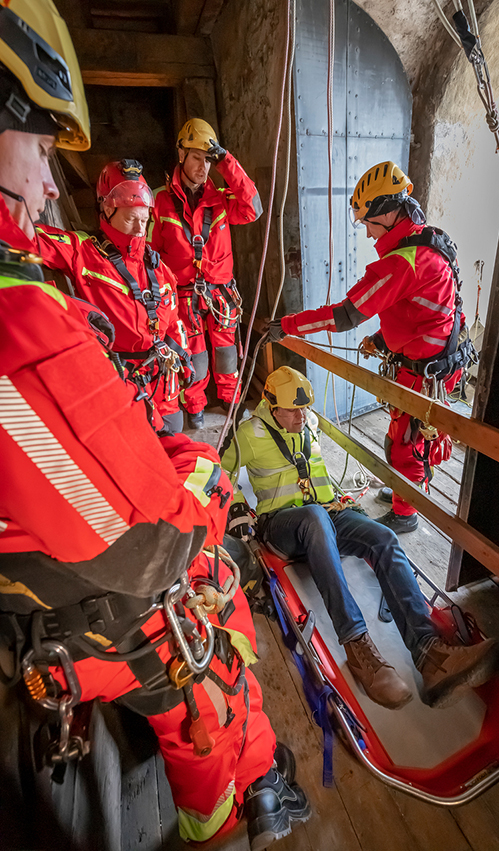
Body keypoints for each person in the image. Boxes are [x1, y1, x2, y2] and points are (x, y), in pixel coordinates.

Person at [0, 3, 310, 848]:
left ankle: (252, 780)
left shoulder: (178, 236)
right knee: (204, 617)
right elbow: (139, 537)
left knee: (196, 462)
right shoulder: (53, 287)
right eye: (35, 147)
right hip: (76, 578)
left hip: (162, 382)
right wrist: (198, 481)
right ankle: (227, 807)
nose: (42, 182)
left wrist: (223, 164)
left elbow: (240, 214)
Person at [222, 367, 499, 711]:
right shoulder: (249, 433)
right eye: (293, 410)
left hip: (325, 512)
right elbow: (218, 470)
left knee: (383, 537)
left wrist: (344, 502)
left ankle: (428, 652)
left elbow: (315, 473)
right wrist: (237, 508)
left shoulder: (307, 424)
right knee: (314, 519)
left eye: (304, 408)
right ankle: (357, 646)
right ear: (271, 404)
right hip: (283, 524)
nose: (302, 416)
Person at [267, 162, 475, 534]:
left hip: (426, 370)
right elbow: (423, 308)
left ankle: (405, 515)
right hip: (435, 357)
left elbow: (343, 316)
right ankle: (402, 492)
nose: (365, 232)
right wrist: (382, 339)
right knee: (404, 438)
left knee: (403, 446)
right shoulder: (428, 239)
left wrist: (286, 326)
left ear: (390, 213)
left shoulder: (402, 263)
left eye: (368, 223)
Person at [37, 158, 193, 436]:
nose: (139, 229)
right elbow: (24, 236)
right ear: (107, 209)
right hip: (119, 378)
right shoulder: (82, 252)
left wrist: (184, 354)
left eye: (144, 220)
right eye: (131, 219)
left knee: (173, 440)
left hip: (161, 378)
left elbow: (174, 322)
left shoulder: (160, 268)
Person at [150, 117, 263, 429]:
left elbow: (254, 206)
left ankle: (230, 401)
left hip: (220, 294)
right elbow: (151, 255)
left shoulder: (223, 199)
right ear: (181, 155)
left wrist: (226, 160)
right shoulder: (160, 201)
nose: (203, 167)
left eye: (208, 160)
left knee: (227, 355)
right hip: (183, 296)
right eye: (197, 158)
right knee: (194, 359)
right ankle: (195, 408)